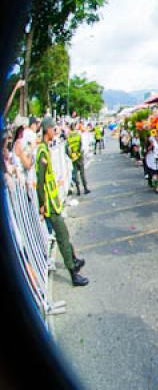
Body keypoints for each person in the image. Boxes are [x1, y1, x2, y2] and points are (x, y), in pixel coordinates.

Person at [36, 117, 89, 286]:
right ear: (47, 130)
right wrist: (42, 205)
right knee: (62, 238)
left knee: (64, 234)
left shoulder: (45, 149)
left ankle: (74, 260)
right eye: (53, 129)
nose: (55, 132)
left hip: (54, 202)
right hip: (50, 205)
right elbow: (40, 182)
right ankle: (73, 272)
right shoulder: (42, 151)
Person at [66, 122, 90, 196]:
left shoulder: (68, 136)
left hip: (73, 156)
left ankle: (78, 190)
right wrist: (79, 153)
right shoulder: (78, 134)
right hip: (79, 155)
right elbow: (80, 144)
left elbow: (67, 148)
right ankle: (85, 188)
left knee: (75, 173)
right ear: (75, 127)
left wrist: (71, 155)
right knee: (82, 172)